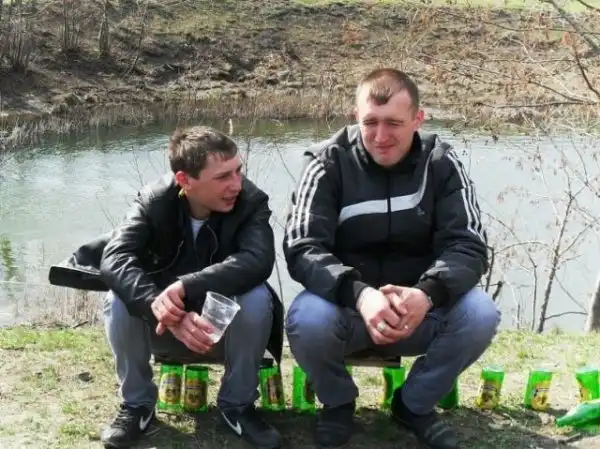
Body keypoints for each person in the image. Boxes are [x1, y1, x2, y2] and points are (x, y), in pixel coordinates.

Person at [282, 68, 501, 449]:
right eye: (370, 122)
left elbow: (468, 245)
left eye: (394, 123)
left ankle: (414, 405)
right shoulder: (326, 162)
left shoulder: (441, 162)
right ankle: (337, 402)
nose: (381, 136)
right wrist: (361, 295)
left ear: (418, 119)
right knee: (306, 318)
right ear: (356, 116)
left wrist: (427, 293)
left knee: (481, 312)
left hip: (419, 310)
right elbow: (302, 246)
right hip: (349, 309)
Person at [50, 126, 283, 449]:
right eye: (222, 177)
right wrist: (160, 308)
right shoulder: (154, 200)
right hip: (161, 329)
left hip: (221, 332)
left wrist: (185, 286)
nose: (236, 184)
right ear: (185, 180)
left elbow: (258, 260)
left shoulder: (251, 201)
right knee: (119, 298)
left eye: (238, 171)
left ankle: (238, 405)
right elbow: (115, 258)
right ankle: (137, 405)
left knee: (257, 297)